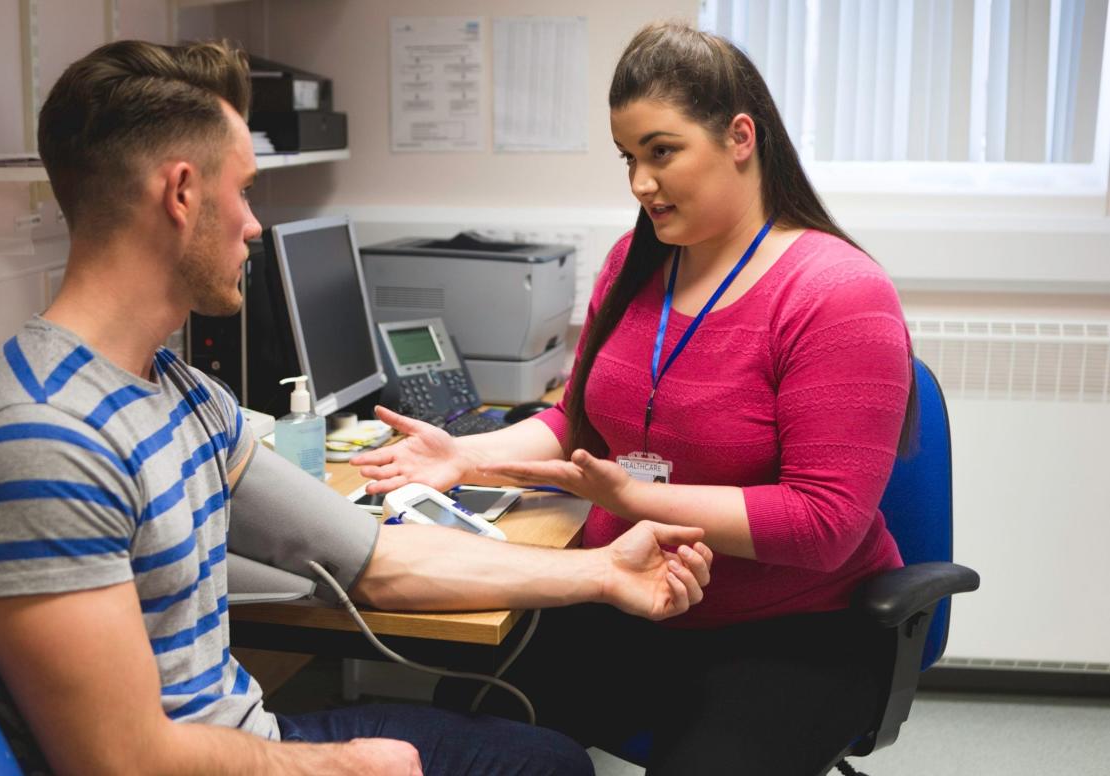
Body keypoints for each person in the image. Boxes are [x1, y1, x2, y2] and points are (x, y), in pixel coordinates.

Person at [0, 39, 715, 776]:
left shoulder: (179, 394)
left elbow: (375, 560)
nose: (255, 226)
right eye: (245, 191)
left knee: (539, 759)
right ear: (183, 193)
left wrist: (602, 571)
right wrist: (342, 767)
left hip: (238, 737)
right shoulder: (40, 441)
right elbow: (119, 760)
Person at [353, 21, 915, 776]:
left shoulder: (836, 293)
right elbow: (576, 422)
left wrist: (639, 498)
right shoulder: (632, 263)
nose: (639, 184)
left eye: (661, 152)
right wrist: (462, 457)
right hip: (629, 594)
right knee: (471, 738)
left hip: (790, 631)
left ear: (739, 137)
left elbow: (825, 524)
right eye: (628, 158)